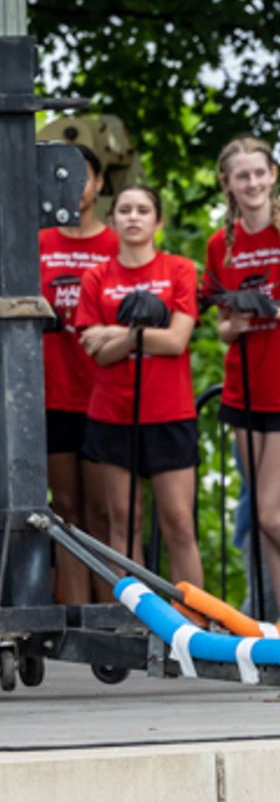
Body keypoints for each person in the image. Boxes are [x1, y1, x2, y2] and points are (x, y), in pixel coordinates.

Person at [76, 184, 203, 585]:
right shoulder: (96, 277)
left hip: (170, 411)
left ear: (158, 221)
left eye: (143, 210)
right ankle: (130, 626)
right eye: (125, 210)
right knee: (123, 521)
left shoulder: (179, 269)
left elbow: (177, 340)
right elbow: (95, 351)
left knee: (179, 522)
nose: (133, 217)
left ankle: (197, 627)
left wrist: (118, 335)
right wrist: (140, 336)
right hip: (112, 412)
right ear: (112, 220)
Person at [39, 145, 116, 602]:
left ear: (100, 183)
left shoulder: (115, 246)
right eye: (64, 177)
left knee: (104, 512)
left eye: (83, 176)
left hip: (105, 394)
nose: (75, 187)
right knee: (65, 511)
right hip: (53, 394)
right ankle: (73, 614)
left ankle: (115, 617)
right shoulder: (39, 243)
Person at [206, 138, 280, 610]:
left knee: (271, 513)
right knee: (263, 517)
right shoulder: (220, 244)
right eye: (242, 175)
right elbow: (223, 332)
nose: (252, 183)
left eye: (259, 173)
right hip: (244, 388)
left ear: (273, 174)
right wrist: (236, 320)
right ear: (227, 184)